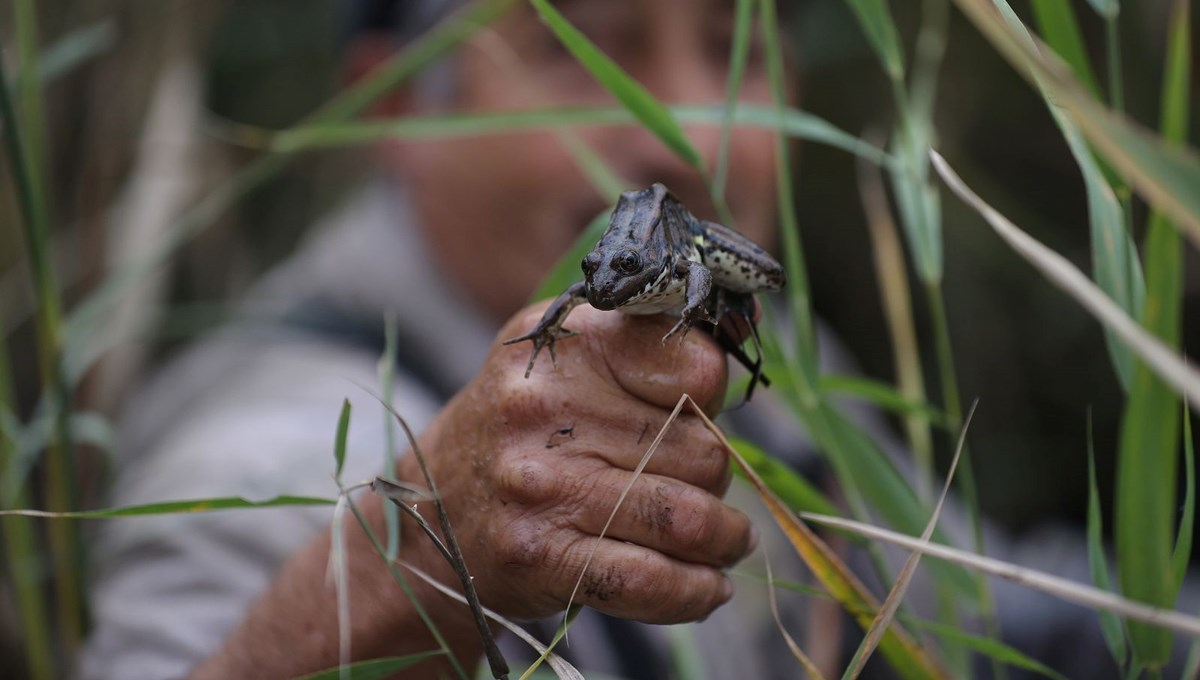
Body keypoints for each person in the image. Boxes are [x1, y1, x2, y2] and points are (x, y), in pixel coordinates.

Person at [81, 1, 1119, 678]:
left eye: (733, 47)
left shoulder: (763, 343)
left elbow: (986, 607)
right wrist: (411, 563)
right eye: (588, 47)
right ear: (401, 105)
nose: (679, 126)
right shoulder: (277, 446)